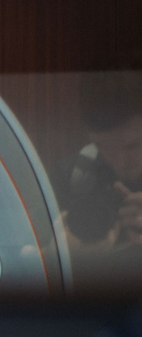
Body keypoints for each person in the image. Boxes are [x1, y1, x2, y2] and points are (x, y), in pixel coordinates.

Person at [57, 67, 142, 247]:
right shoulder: (70, 175)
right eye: (103, 147)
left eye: (133, 146)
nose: (119, 163)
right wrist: (58, 256)